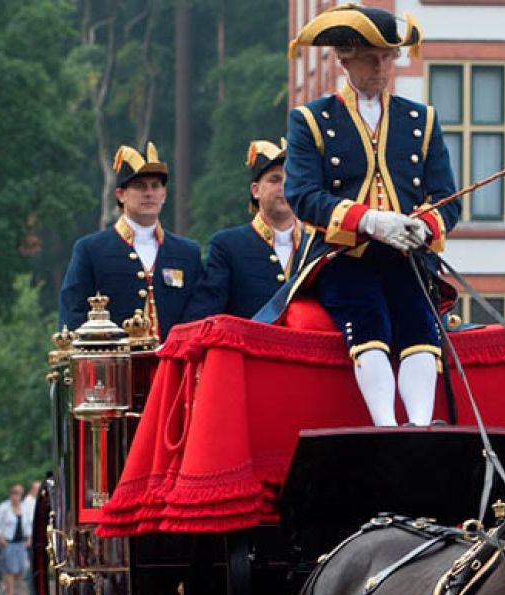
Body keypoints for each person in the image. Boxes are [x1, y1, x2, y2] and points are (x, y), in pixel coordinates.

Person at [277, 4, 460, 426]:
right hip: (344, 257)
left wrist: (424, 226)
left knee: (419, 321)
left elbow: (448, 199)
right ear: (345, 60)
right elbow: (303, 196)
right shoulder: (311, 120)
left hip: (407, 256)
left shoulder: (422, 120)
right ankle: (385, 424)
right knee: (368, 318)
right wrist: (371, 221)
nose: (381, 68)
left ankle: (418, 424)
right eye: (371, 58)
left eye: (387, 57)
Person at [59, 143, 202, 342]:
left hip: (172, 368)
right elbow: (73, 316)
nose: (149, 193)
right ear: (121, 194)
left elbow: (198, 316)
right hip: (114, 368)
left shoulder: (188, 253)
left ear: (164, 195)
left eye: (155, 186)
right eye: (139, 186)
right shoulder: (91, 250)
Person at [184, 139, 315, 320]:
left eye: (291, 179)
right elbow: (206, 316)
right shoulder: (228, 246)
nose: (284, 187)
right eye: (275, 180)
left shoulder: (316, 246)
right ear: (255, 190)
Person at [0, 482, 33, 595]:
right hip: (9, 542)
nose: (17, 496)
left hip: (21, 543)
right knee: (9, 569)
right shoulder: (4, 507)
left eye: (19, 493)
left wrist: (29, 537)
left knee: (20, 569)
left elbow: (27, 523)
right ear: (11, 494)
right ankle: (9, 594)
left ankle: (11, 590)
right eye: (15, 493)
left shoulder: (24, 508)